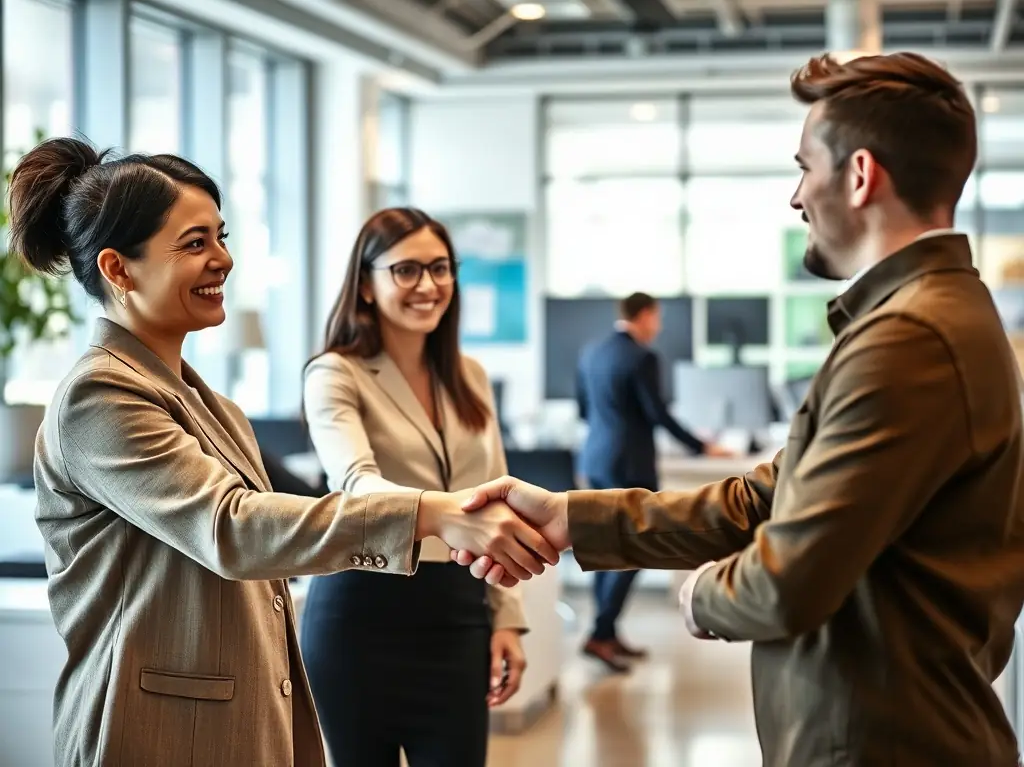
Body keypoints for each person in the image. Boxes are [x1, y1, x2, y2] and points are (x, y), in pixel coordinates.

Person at [454, 52, 1024, 767]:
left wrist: (700, 595)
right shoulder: (926, 317)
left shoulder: (909, 337)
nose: (796, 196)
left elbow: (790, 579)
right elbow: (768, 496)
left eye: (804, 167)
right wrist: (574, 517)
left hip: (881, 745)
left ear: (859, 175)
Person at [12, 138, 557, 767]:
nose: (223, 259)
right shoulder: (99, 395)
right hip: (158, 730)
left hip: (238, 719)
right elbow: (232, 527)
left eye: (221, 237)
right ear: (118, 269)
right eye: (195, 243)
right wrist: (431, 513)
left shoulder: (210, 404)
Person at [299, 208, 527, 767]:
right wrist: (452, 515)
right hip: (361, 614)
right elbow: (356, 484)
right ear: (367, 285)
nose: (428, 285)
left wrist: (507, 617)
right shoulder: (335, 373)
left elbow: (498, 496)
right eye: (406, 270)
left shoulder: (470, 375)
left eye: (440, 268)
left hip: (458, 612)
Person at [576, 291, 731, 671]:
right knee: (632, 548)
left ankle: (606, 631)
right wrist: (702, 446)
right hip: (629, 465)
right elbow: (658, 414)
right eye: (656, 318)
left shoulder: (592, 352)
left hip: (595, 458)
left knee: (603, 545)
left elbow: (583, 410)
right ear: (644, 315)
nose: (658, 327)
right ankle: (600, 633)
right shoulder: (642, 357)